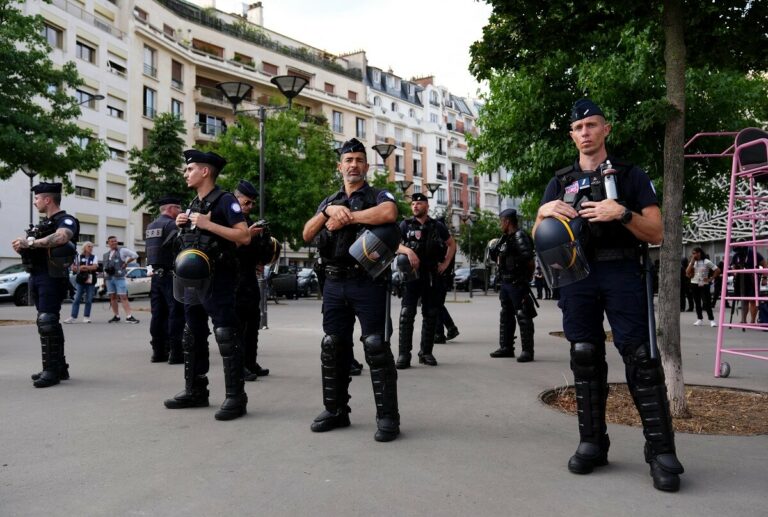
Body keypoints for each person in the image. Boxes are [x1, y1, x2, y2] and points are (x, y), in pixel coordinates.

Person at [534, 99, 684, 491]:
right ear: (571, 135)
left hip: (621, 270)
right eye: (578, 127)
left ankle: (661, 450)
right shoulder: (559, 181)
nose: (585, 132)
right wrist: (543, 212)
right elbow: (537, 236)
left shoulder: (632, 175)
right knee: (584, 355)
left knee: (639, 357)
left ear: (606, 129)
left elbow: (657, 233)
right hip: (575, 273)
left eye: (591, 125)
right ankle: (592, 442)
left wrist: (622, 214)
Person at [302, 137, 400, 442]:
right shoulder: (329, 200)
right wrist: (328, 212)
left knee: (376, 347)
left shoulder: (377, 195)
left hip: (367, 281)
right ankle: (336, 410)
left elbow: (389, 214)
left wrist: (349, 217)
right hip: (333, 282)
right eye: (348, 160)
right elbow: (307, 233)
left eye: (359, 160)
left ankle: (387, 418)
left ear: (367, 166)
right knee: (333, 345)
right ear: (339, 166)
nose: (353, 164)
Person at [164, 149, 251, 421]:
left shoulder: (226, 201)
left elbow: (244, 236)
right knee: (193, 334)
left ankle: (236, 397)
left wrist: (207, 225)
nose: (186, 174)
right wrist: (184, 224)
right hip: (192, 281)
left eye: (190, 169)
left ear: (205, 172)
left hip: (219, 279)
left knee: (226, 334)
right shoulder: (194, 203)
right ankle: (196, 391)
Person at [12, 182, 79, 388]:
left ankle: (52, 371)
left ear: (47, 199)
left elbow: (62, 237)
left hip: (52, 276)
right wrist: (21, 247)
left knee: (48, 321)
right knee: (48, 323)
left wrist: (30, 243)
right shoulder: (42, 225)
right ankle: (58, 366)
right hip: (37, 274)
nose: (35, 202)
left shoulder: (66, 220)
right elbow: (36, 246)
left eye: (37, 199)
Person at [396, 193, 456, 368]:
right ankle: (403, 355)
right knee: (407, 315)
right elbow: (394, 244)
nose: (415, 206)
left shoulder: (437, 226)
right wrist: (408, 251)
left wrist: (445, 263)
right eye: (413, 203)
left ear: (427, 206)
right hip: (411, 276)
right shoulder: (405, 225)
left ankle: (426, 353)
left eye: (419, 203)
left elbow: (452, 244)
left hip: (432, 276)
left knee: (430, 315)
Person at [233, 179, 270, 381]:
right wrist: (248, 235)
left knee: (252, 323)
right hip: (234, 279)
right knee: (238, 327)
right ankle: (239, 367)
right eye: (246, 203)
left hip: (249, 277)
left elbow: (259, 256)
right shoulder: (228, 221)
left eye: (252, 203)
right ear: (236, 200)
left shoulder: (250, 223)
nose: (249, 207)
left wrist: (263, 240)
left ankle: (250, 362)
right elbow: (227, 249)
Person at [488, 208, 536, 362]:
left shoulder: (520, 236)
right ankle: (506, 347)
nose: (500, 224)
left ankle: (528, 351)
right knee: (506, 315)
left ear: (507, 221)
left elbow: (530, 261)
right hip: (506, 283)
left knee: (523, 315)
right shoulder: (505, 238)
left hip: (517, 283)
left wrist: (525, 279)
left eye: (501, 221)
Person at [145, 196, 185, 363]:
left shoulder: (151, 226)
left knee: (158, 314)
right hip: (171, 275)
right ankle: (175, 352)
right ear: (171, 209)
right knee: (175, 314)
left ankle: (158, 351)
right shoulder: (172, 225)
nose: (181, 212)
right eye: (179, 209)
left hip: (156, 276)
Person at [103, 236, 140, 324]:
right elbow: (104, 268)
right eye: (112, 241)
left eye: (115, 241)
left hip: (119, 277)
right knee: (112, 297)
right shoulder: (106, 254)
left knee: (123, 297)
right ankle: (116, 316)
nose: (114, 242)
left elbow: (135, 255)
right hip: (109, 278)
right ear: (108, 243)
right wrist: (104, 281)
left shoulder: (122, 250)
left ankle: (129, 316)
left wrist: (126, 262)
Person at [731, 246, 767, 327]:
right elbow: (733, 266)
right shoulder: (736, 255)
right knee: (744, 300)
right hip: (741, 279)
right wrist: (735, 272)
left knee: (753, 300)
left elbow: (765, 264)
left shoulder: (754, 254)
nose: (738, 251)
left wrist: (765, 278)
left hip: (752, 278)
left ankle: (752, 321)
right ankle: (743, 320)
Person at [65, 241, 98, 324]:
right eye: (89, 246)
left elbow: (94, 267)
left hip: (91, 280)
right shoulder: (78, 257)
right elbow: (74, 268)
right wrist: (83, 268)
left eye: (91, 247)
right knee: (76, 298)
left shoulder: (94, 257)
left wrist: (84, 267)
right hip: (80, 280)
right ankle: (73, 317)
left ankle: (86, 317)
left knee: (89, 299)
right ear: (84, 248)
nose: (91, 248)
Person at [685, 247, 719, 327]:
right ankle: (699, 319)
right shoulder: (693, 262)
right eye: (692, 253)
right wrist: (692, 262)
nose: (693, 255)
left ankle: (712, 320)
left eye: (694, 253)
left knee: (706, 302)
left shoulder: (706, 261)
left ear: (699, 253)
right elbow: (687, 272)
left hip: (704, 284)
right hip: (694, 283)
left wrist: (711, 279)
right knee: (697, 302)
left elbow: (717, 270)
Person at [434, 251, 460, 344]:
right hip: (443, 277)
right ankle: (451, 328)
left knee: (436, 305)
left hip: (440, 277)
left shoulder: (443, 242)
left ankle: (439, 334)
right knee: (439, 305)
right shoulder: (446, 242)